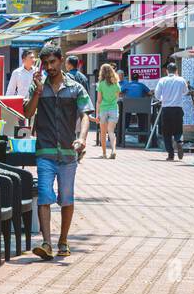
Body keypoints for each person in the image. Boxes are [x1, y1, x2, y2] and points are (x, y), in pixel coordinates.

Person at [24, 44, 93, 260]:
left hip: (67, 153)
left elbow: (85, 115)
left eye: (53, 62)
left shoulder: (75, 88)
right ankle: (46, 243)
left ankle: (63, 240)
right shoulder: (38, 86)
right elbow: (28, 112)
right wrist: (36, 90)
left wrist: (81, 138)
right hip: (45, 151)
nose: (49, 67)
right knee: (44, 195)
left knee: (66, 198)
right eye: (45, 63)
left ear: (61, 61)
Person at [153, 61, 190, 161]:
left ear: (166, 71)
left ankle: (170, 154)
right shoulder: (181, 80)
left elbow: (157, 95)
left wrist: (162, 99)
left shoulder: (162, 80)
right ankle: (178, 142)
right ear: (176, 70)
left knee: (167, 133)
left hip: (166, 109)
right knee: (178, 129)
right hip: (178, 108)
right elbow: (186, 92)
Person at [96, 63, 121, 159]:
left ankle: (104, 153)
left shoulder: (101, 84)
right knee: (111, 131)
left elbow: (99, 101)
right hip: (114, 109)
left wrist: (97, 114)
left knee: (103, 132)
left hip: (103, 109)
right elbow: (117, 97)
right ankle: (113, 150)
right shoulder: (116, 84)